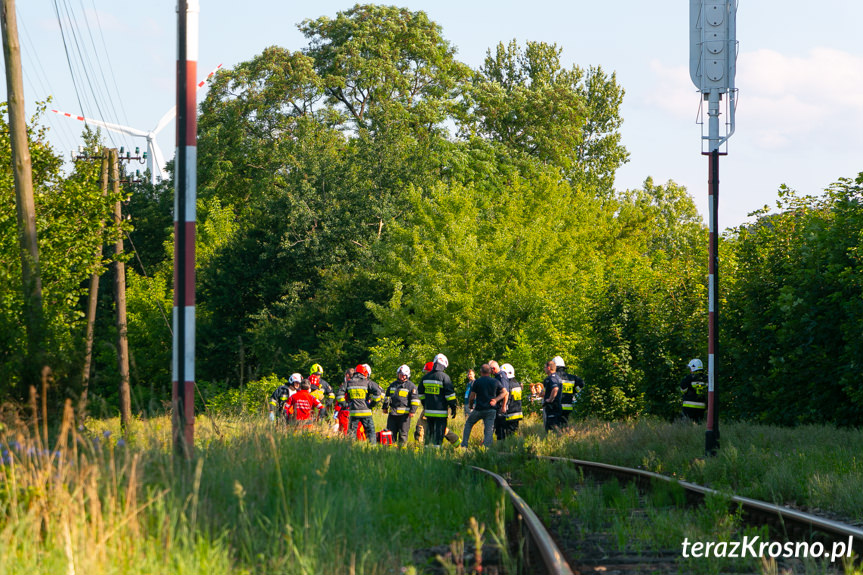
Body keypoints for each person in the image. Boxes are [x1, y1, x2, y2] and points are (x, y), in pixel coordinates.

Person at [461, 364, 507, 448]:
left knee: (469, 423)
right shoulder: (495, 381)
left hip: (479, 409)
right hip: (491, 410)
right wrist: (496, 400)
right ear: (490, 372)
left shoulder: (477, 382)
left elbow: (472, 397)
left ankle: (464, 445)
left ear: (480, 372)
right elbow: (504, 392)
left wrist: (471, 406)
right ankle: (487, 448)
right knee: (489, 430)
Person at [418, 353, 457, 447]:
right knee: (439, 433)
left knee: (429, 432)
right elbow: (450, 395)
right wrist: (453, 407)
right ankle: (437, 452)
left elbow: (420, 394)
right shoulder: (444, 377)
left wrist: (425, 404)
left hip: (429, 411)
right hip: (441, 412)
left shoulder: (425, 377)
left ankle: (427, 450)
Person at [337, 364, 383, 443]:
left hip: (353, 412)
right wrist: (371, 404)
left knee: (352, 433)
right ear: (364, 373)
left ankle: (350, 449)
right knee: (370, 432)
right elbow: (379, 393)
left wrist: (345, 404)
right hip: (366, 412)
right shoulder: (368, 382)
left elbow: (339, 394)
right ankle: (373, 449)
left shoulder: (348, 383)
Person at [383, 364, 420, 447]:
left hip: (404, 416)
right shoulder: (393, 385)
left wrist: (412, 411)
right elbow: (387, 397)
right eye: (400, 375)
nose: (401, 377)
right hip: (392, 414)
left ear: (407, 375)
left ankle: (402, 451)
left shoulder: (411, 386)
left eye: (403, 375)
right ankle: (390, 450)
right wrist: (385, 407)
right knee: (390, 433)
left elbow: (415, 400)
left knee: (403, 434)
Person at [553, 356, 584, 425]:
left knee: (556, 426)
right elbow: (582, 384)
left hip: (556, 407)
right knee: (565, 425)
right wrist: (574, 391)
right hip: (568, 406)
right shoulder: (571, 377)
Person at [680, 358, 708, 422]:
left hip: (688, 406)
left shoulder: (688, 378)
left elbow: (683, 390)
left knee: (687, 427)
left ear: (693, 368)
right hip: (701, 407)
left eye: (690, 368)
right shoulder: (707, 378)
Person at [500, 363, 524, 437]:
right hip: (517, 412)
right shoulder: (516, 383)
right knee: (513, 434)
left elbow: (506, 397)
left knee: (508, 435)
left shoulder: (507, 384)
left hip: (510, 413)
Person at [542, 359, 564, 433]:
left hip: (552, 406)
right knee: (553, 425)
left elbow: (555, 389)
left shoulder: (552, 378)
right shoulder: (557, 377)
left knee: (553, 425)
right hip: (556, 405)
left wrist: (550, 399)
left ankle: (561, 438)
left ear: (548, 368)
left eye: (545, 367)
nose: (544, 369)